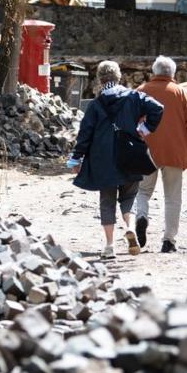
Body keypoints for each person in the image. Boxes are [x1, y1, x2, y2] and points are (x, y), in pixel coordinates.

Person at [70, 60, 164, 259]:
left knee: (107, 201)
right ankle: (130, 228)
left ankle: (110, 246)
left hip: (102, 160)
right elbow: (158, 108)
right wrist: (144, 130)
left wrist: (76, 159)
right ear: (119, 77)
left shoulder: (96, 105)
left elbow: (85, 134)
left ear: (100, 79)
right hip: (130, 154)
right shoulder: (135, 97)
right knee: (129, 198)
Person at [133, 55, 187, 254]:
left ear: (154, 72)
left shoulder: (141, 91)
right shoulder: (181, 93)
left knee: (143, 191)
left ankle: (141, 216)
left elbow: (130, 122)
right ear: (173, 73)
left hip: (146, 150)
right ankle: (169, 241)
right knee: (172, 197)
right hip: (174, 151)